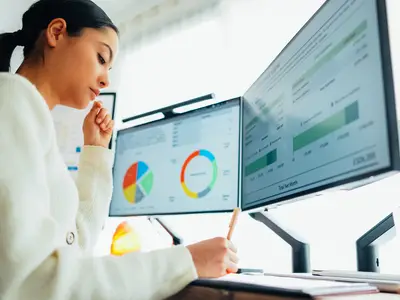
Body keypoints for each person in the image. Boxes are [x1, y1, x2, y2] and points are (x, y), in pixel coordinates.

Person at [0, 0, 239, 299]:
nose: (106, 79)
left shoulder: (28, 118)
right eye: (101, 57)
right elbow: (34, 282)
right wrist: (188, 260)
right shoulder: (10, 100)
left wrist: (96, 153)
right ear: (57, 33)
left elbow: (73, 247)